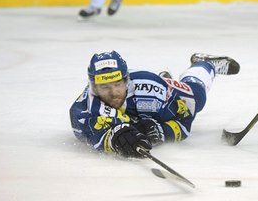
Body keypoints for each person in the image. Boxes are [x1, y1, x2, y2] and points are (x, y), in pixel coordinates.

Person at [70, 50, 240, 157]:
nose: (113, 93)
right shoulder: (83, 110)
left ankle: (205, 63)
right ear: (94, 87)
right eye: (105, 87)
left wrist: (163, 131)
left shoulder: (150, 89)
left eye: (117, 84)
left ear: (127, 81)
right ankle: (166, 79)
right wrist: (115, 137)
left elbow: (185, 121)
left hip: (159, 90)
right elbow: (93, 138)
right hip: (143, 106)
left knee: (197, 97)